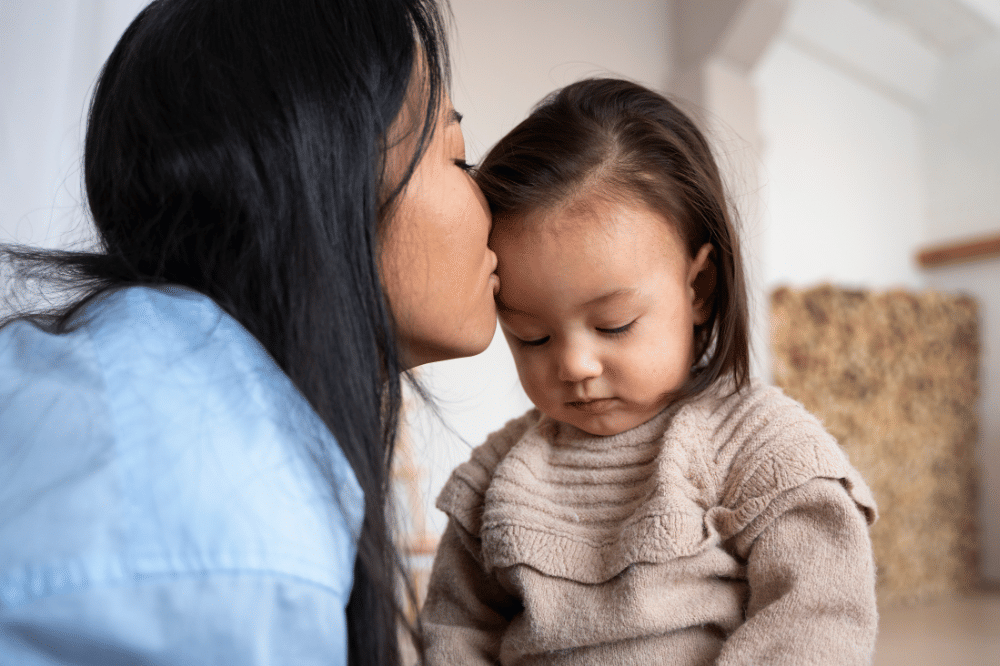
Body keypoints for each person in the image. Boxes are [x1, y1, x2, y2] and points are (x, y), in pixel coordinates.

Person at [0, 1, 498, 665]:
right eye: (457, 160)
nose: (491, 201)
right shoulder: (231, 532)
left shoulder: (124, 372)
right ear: (330, 177)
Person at [419, 78, 879, 665]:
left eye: (613, 324)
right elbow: (454, 631)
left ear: (700, 289)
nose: (575, 365)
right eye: (531, 335)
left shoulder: (764, 450)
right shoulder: (495, 478)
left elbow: (817, 623)